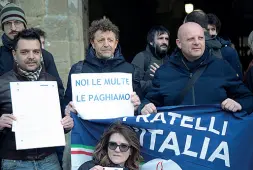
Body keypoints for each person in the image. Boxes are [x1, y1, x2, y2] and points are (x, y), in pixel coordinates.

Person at [140, 22, 253, 115]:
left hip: (215, 139)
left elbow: (248, 98)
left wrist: (239, 104)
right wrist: (145, 107)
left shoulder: (222, 67)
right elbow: (148, 102)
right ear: (179, 43)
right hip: (177, 140)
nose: (197, 43)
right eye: (191, 39)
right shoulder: (164, 72)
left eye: (200, 38)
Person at [0, 29, 74, 170]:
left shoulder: (51, 82)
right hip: (14, 162)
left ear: (41, 53)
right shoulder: (2, 83)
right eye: (24, 52)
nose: (31, 56)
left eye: (36, 51)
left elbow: (59, 118)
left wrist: (67, 123)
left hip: (49, 160)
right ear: (14, 54)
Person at [64, 18, 141, 112]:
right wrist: (67, 109)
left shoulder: (131, 71)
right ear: (92, 43)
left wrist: (138, 105)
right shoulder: (78, 70)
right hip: (87, 126)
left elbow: (141, 106)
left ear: (116, 43)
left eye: (110, 40)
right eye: (101, 40)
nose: (106, 44)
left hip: (120, 126)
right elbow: (66, 103)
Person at [0, 3, 64, 95]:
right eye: (7, 23)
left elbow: (58, 91)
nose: (13, 28)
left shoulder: (45, 55)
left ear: (24, 24)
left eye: (17, 22)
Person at [184, 10, 243, 79]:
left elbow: (237, 79)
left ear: (217, 31)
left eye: (213, 29)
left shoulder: (227, 51)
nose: (210, 33)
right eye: (207, 30)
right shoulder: (196, 50)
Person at [131, 26, 170, 95]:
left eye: (166, 39)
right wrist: (156, 81)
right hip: (146, 104)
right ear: (151, 42)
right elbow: (134, 85)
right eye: (160, 38)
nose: (164, 42)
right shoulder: (142, 57)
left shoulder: (168, 60)